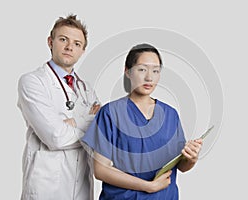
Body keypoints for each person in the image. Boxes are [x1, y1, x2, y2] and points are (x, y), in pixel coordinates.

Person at [82, 43, 203, 199]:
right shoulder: (111, 113)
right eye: (142, 69)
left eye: (155, 71)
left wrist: (191, 159)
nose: (149, 77)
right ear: (127, 71)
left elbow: (181, 166)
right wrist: (148, 186)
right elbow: (100, 170)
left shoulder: (170, 114)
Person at [17, 14, 100, 200]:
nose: (70, 47)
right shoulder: (33, 82)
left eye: (77, 44)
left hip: (82, 187)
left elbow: (102, 132)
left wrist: (72, 123)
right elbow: (55, 137)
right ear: (50, 42)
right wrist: (90, 121)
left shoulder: (85, 88)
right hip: (46, 186)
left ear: (82, 50)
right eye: (63, 39)